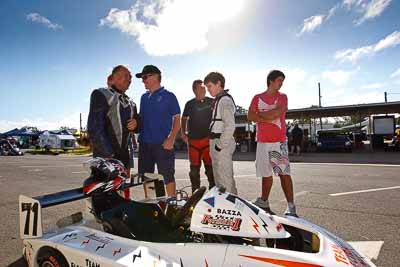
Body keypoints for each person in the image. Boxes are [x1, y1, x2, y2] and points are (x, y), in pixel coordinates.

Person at [247, 70, 297, 216]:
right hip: (262, 142)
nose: (281, 83)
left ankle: (291, 206)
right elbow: (250, 115)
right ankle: (264, 201)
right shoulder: (257, 97)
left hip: (278, 142)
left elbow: (276, 113)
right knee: (266, 174)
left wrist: (260, 116)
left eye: (282, 81)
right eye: (279, 80)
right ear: (271, 81)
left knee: (283, 173)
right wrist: (268, 116)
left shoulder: (282, 97)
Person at [87, 65, 138, 199]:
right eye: (126, 75)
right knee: (103, 195)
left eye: (130, 77)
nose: (130, 79)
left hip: (124, 157)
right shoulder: (101, 94)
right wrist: (110, 156)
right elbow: (94, 127)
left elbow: (137, 125)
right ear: (113, 78)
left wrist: (137, 124)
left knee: (123, 193)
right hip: (105, 157)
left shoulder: (131, 103)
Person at [136, 65, 181, 197]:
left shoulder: (169, 96)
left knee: (167, 176)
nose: (143, 81)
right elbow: (141, 119)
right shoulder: (143, 98)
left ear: (155, 76)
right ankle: (154, 207)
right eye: (142, 78)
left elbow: (177, 119)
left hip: (163, 144)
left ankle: (172, 207)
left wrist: (171, 139)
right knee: (147, 177)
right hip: (144, 144)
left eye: (145, 77)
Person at [205, 72, 238, 194]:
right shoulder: (219, 100)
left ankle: (232, 209)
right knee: (219, 180)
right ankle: (225, 209)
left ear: (218, 83)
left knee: (225, 181)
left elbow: (230, 125)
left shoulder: (224, 100)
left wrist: (220, 145)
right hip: (216, 142)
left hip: (221, 144)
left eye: (209, 86)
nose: (208, 90)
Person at [181, 80, 215, 192]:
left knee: (211, 170)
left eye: (204, 88)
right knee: (194, 172)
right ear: (194, 90)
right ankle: (195, 195)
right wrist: (183, 133)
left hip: (207, 141)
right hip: (193, 142)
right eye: (201, 88)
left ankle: (214, 194)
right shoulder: (189, 104)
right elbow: (184, 118)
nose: (204, 90)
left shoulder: (212, 101)